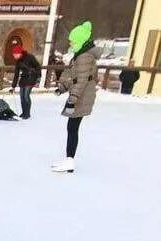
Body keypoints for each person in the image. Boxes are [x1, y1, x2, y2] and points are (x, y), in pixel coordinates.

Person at [52, 21, 99, 174]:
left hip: (81, 98)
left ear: (79, 40)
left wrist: (72, 99)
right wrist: (62, 88)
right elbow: (74, 76)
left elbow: (82, 80)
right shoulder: (81, 54)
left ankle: (70, 161)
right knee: (72, 128)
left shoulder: (84, 56)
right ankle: (68, 159)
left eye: (72, 41)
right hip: (82, 96)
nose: (70, 43)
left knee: (72, 128)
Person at [9, 44, 41, 119]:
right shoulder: (18, 61)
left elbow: (38, 67)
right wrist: (13, 86)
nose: (14, 56)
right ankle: (23, 113)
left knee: (26, 96)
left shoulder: (30, 57)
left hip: (31, 78)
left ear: (20, 53)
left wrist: (38, 79)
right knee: (22, 96)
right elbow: (16, 74)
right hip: (23, 79)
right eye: (14, 54)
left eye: (15, 54)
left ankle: (27, 113)